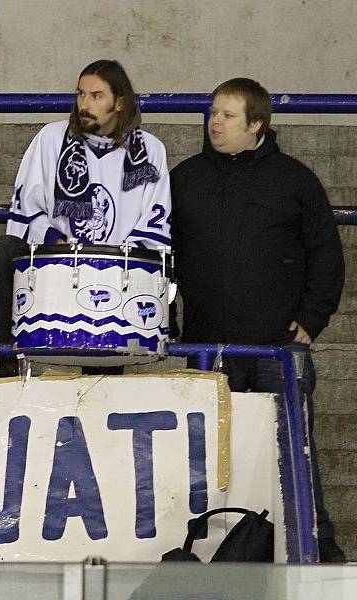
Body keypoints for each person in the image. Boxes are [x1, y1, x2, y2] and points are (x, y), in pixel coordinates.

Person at [171, 78, 346, 562]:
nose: (215, 122)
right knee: (210, 455)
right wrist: (167, 322)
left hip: (276, 348)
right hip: (207, 348)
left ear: (256, 124)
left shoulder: (295, 180)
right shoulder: (185, 179)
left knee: (293, 450)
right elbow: (164, 257)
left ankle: (318, 547)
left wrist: (311, 320)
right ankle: (207, 548)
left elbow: (326, 257)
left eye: (227, 115)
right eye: (212, 113)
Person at [0, 59, 171, 376]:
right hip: (53, 275)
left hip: (116, 287)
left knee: (101, 387)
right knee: (3, 248)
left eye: (96, 96)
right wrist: (60, 248)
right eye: (81, 94)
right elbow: (29, 208)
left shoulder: (150, 151)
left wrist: (105, 266)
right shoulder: (51, 139)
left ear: (120, 102)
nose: (85, 103)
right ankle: (2, 362)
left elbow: (153, 226)